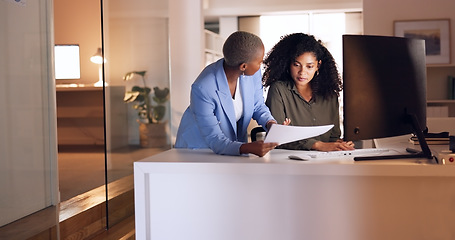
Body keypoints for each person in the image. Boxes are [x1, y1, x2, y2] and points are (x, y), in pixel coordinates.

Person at [175, 31, 290, 157]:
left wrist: (270, 124)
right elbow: (215, 139)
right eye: (259, 61)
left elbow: (257, 105)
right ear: (243, 66)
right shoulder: (203, 88)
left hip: (227, 145)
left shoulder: (252, 74)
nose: (260, 65)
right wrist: (246, 147)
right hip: (198, 149)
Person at [263, 33, 354, 151]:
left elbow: (333, 137)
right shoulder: (278, 90)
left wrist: (341, 144)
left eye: (309, 66)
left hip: (325, 160)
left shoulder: (329, 94)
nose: (302, 72)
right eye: (296, 65)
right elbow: (278, 137)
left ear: (318, 65)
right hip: (288, 162)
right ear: (289, 64)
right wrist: (317, 145)